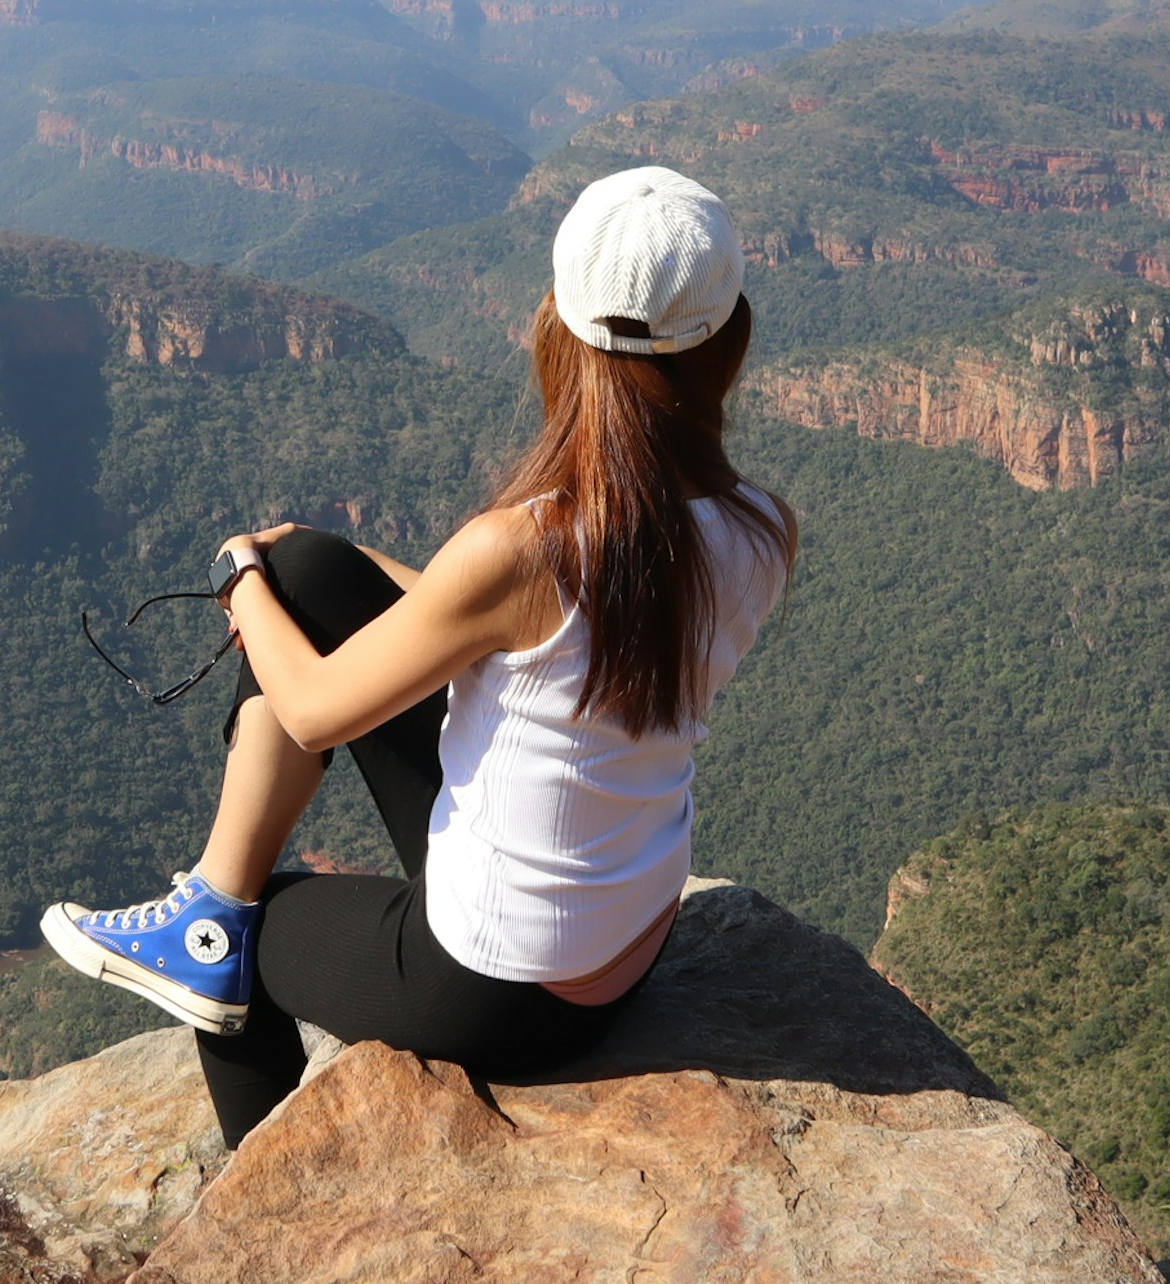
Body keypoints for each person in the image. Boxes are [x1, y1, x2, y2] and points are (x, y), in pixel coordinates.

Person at [42, 165, 797, 1147]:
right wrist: (321, 572)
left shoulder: (526, 548)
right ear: (728, 343)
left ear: (556, 331)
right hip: (626, 945)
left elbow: (314, 709)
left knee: (256, 939)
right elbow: (514, 623)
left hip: (500, 989)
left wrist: (239, 580)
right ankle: (210, 908)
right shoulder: (760, 529)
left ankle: (233, 1024)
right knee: (314, 567)